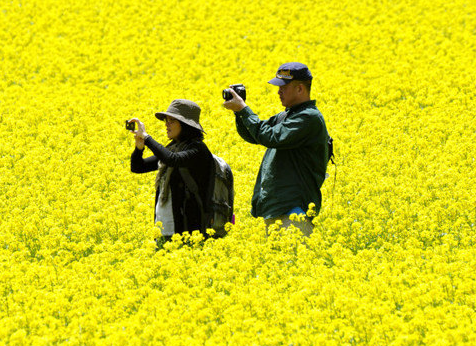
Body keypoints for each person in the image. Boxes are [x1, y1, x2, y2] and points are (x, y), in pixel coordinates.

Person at [223, 62, 329, 236]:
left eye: (283, 87)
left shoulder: (309, 117)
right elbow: (254, 134)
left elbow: (270, 137)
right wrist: (238, 112)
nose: (279, 91)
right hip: (277, 208)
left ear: (300, 89)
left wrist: (243, 109)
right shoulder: (287, 115)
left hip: (294, 210)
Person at [129, 99, 214, 242]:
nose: (166, 125)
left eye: (172, 121)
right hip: (165, 228)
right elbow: (138, 167)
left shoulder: (198, 149)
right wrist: (139, 148)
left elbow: (172, 159)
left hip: (190, 230)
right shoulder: (173, 147)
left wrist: (148, 138)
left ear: (186, 125)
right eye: (166, 121)